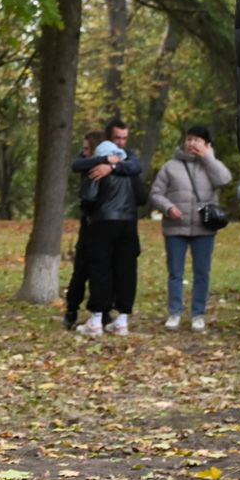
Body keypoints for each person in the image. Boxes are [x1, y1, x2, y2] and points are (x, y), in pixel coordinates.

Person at [148, 125, 232, 332]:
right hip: (175, 227)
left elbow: (225, 180)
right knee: (175, 273)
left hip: (204, 229)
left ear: (206, 144)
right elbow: (155, 194)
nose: (192, 143)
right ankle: (175, 313)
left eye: (197, 140)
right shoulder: (170, 166)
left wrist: (209, 158)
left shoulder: (211, 166)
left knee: (202, 272)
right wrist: (168, 208)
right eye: (189, 139)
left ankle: (198, 314)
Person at [70, 117, 144, 337]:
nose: (121, 143)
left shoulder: (107, 164)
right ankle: (122, 319)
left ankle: (96, 320)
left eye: (124, 138)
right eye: (117, 138)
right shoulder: (129, 169)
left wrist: (109, 166)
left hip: (103, 220)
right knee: (126, 270)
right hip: (128, 220)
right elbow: (141, 195)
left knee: (100, 268)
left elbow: (89, 196)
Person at [63, 129, 106, 329]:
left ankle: (101, 311)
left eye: (88, 149)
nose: (85, 152)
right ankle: (72, 309)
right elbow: (76, 164)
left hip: (103, 224)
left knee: (100, 271)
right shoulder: (88, 164)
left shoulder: (113, 167)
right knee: (80, 270)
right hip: (89, 223)